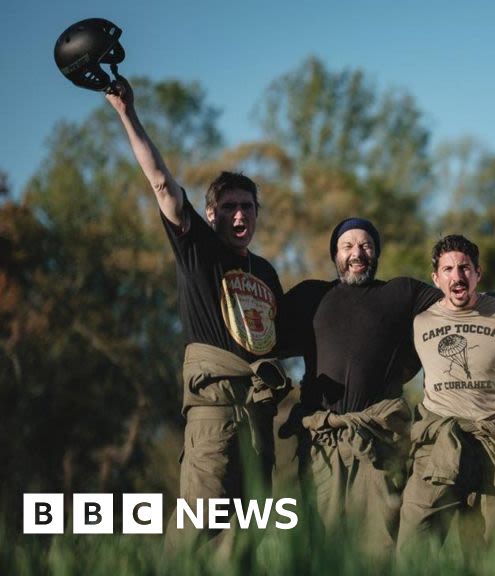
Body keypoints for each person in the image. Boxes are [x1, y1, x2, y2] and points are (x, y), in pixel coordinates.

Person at [278, 220, 495, 558]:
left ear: (376, 252)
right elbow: (264, 332)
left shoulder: (400, 294)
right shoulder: (311, 295)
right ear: (334, 253)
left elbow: (472, 302)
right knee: (317, 540)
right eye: (347, 246)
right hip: (321, 436)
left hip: (376, 437)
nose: (357, 253)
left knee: (378, 543)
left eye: (365, 245)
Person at [106, 77, 290, 551]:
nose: (238, 216)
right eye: (228, 207)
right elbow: (162, 183)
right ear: (210, 215)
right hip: (213, 414)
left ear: (256, 213)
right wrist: (128, 113)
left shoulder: (267, 272)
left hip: (257, 417)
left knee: (248, 537)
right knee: (197, 528)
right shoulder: (199, 249)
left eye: (247, 207)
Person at [396, 235, 495, 558]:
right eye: (448, 269)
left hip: (492, 446)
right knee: (413, 543)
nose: (457, 275)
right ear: (436, 278)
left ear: (478, 272)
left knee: (491, 553)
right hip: (438, 445)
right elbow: (392, 373)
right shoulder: (420, 324)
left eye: (464, 267)